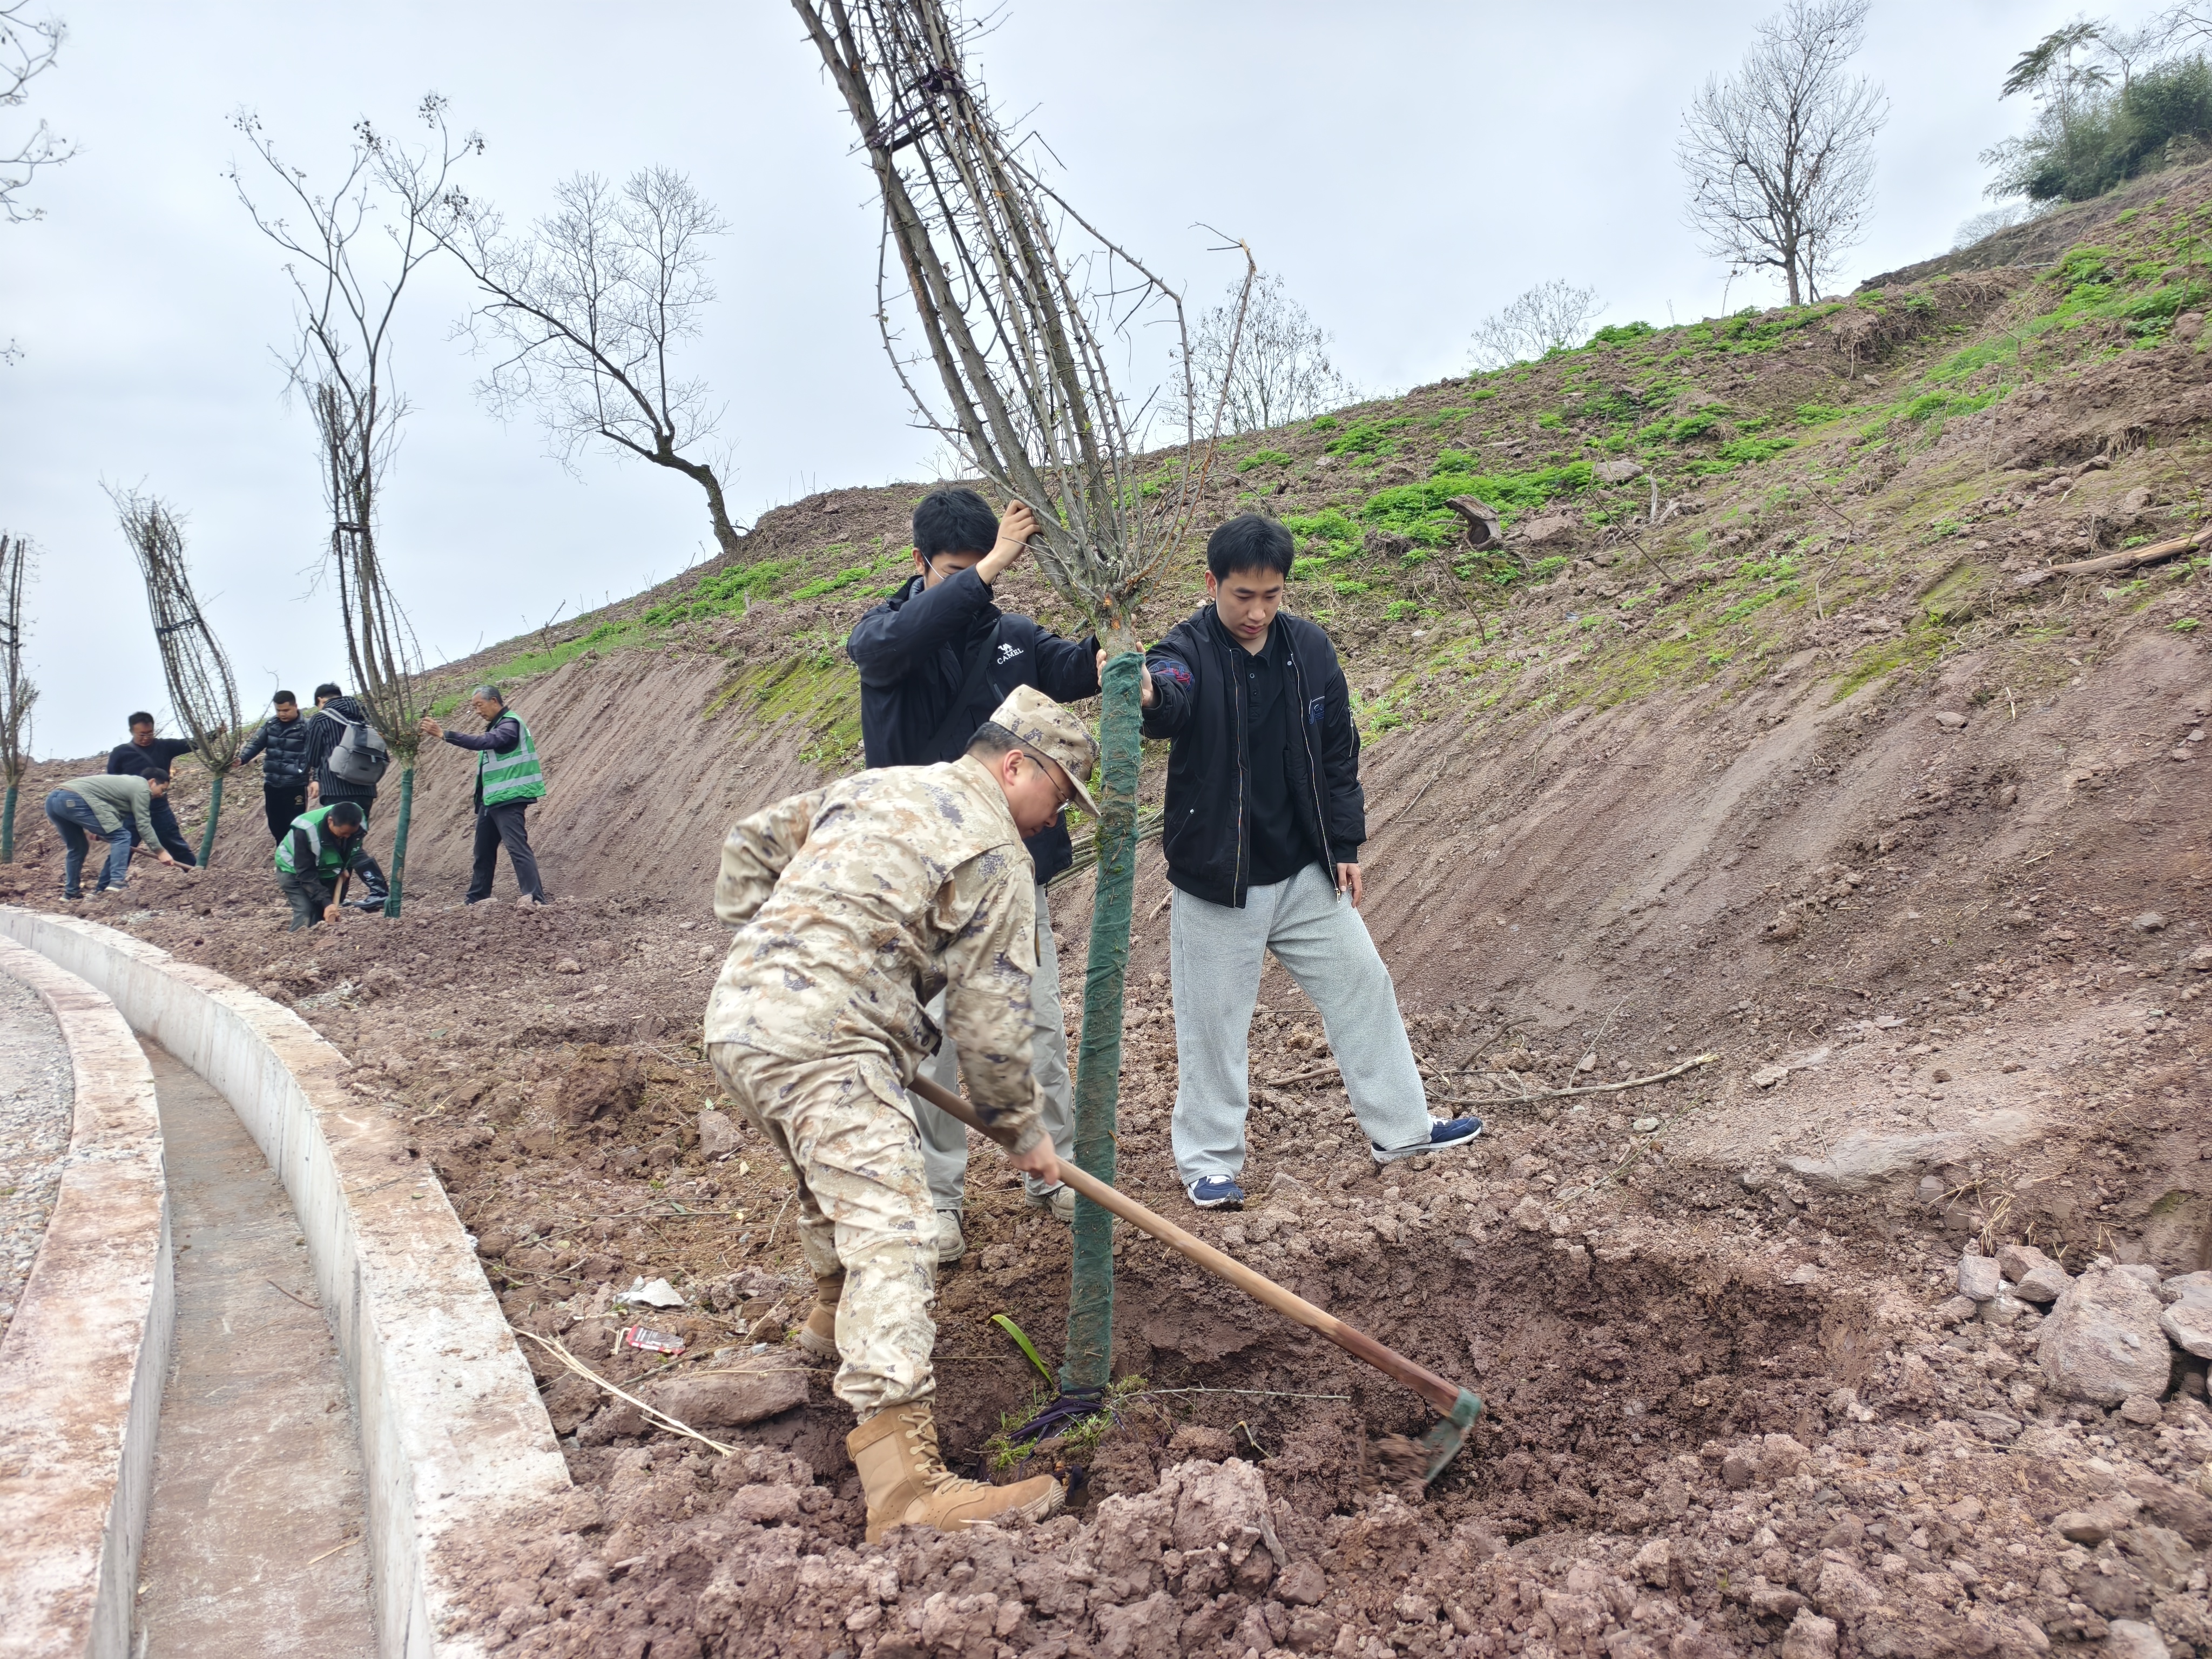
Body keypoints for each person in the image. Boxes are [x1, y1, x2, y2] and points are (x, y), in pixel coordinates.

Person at [704, 685, 1095, 1542]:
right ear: (1016, 763)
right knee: (895, 1223)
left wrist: (775, 952)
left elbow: (747, 847)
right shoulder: (994, 851)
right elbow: (993, 1022)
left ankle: (823, 1325)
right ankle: (906, 1486)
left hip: (741, 1019)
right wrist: (1023, 1132)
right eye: (1057, 797)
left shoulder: (879, 786)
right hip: (830, 1042)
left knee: (828, 1177)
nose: (1050, 821)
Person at [1138, 514, 1482, 1210]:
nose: (1256, 611)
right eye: (1242, 596)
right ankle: (1208, 1162)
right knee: (1213, 1025)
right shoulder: (1184, 650)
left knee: (1363, 984)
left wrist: (1345, 844)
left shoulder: (1309, 649)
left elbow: (1337, 754)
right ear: (1212, 586)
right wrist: (1145, 692)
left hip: (1304, 871)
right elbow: (1166, 699)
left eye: (1271, 595)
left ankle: (1404, 1130)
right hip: (1218, 881)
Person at [846, 487, 1097, 1262]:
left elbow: (1079, 666)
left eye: (985, 568)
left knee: (1040, 1033)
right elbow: (900, 642)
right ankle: (940, 1201)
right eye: (959, 569)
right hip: (923, 885)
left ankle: (1055, 1176)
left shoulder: (1012, 640)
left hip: (1012, 880)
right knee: (934, 1050)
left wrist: (1119, 644)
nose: (978, 584)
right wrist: (985, 573)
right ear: (922, 563)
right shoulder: (887, 639)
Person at [419, 684, 548, 905]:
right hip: (493, 800)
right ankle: (477, 899)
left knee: (517, 848)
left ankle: (535, 899)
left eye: (480, 705)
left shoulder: (510, 724)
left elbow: (486, 742)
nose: (478, 711)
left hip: (509, 798)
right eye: (475, 707)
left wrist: (444, 735)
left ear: (495, 701)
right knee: (483, 852)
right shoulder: (498, 725)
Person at [303, 683, 391, 911]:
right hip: (366, 788)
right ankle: (338, 898)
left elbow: (311, 755)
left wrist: (313, 776)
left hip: (337, 789)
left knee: (347, 844)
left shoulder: (321, 719)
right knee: (352, 840)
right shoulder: (365, 714)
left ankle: (379, 891)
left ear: (321, 700)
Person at [45, 768, 177, 899]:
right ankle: (117, 882)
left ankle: (71, 892)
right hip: (74, 799)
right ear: (152, 782)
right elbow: (143, 824)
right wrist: (160, 852)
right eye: (163, 789)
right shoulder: (142, 788)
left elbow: (109, 815)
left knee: (78, 848)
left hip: (53, 801)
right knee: (122, 837)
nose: (162, 794)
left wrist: (99, 833)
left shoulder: (124, 786)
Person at [106, 713, 199, 866]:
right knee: (124, 848)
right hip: (131, 809)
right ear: (132, 732)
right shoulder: (121, 753)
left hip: (159, 806)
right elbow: (112, 782)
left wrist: (216, 734)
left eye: (150, 733)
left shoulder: (164, 746)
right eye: (142, 734)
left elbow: (190, 744)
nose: (147, 737)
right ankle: (106, 886)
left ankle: (196, 875)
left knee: (175, 844)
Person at [272, 799, 370, 932]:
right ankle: (298, 943)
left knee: (324, 912)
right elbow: (306, 874)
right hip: (292, 870)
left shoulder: (357, 819)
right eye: (343, 833)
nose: (347, 837)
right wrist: (327, 903)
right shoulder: (306, 830)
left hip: (324, 869)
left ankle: (322, 945)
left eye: (351, 834)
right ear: (330, 821)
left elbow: (352, 847)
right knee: (307, 911)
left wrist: (344, 867)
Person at [235, 691, 314, 841]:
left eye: (286, 710)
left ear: (295, 706)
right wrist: (242, 759)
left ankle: (299, 860)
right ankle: (282, 860)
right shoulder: (270, 725)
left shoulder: (307, 727)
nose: (282, 714)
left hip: (295, 785)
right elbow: (255, 744)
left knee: (296, 826)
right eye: (278, 710)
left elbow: (316, 753)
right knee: (276, 826)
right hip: (272, 784)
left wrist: (315, 778)